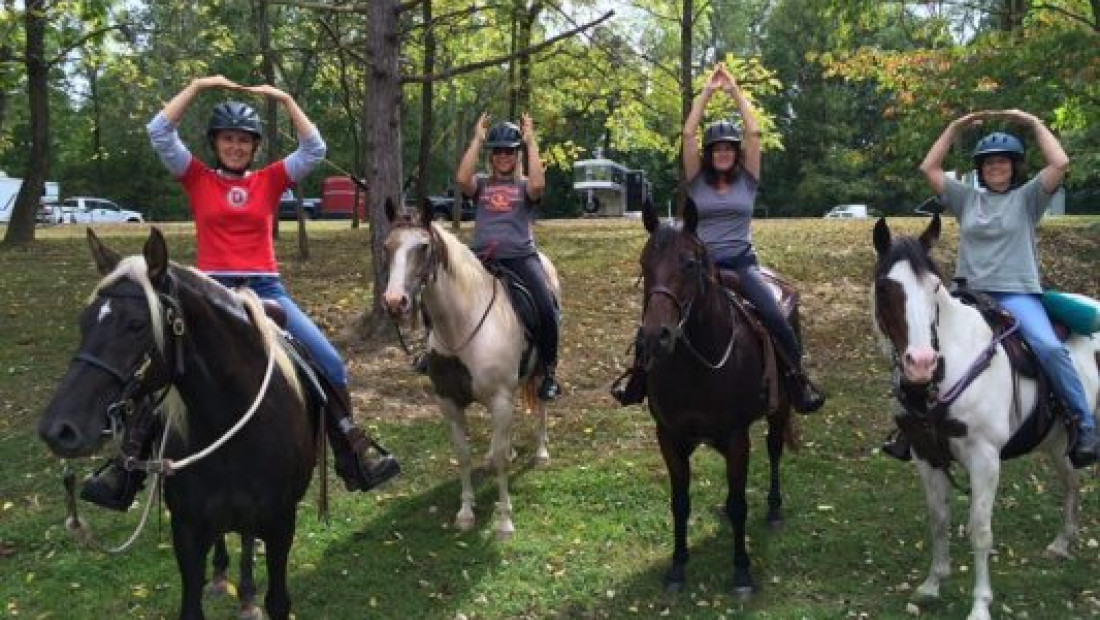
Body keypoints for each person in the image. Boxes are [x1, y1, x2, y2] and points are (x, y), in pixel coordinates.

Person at [80, 76, 400, 511]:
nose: (235, 146)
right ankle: (127, 467)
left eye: (244, 140)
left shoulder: (269, 180)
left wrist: (287, 99)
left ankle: (352, 451)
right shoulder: (196, 178)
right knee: (158, 369)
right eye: (227, 139)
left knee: (328, 362)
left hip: (266, 290)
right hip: (208, 292)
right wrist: (194, 86)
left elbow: (315, 150)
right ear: (215, 143)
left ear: (254, 145)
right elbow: (158, 131)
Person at [884, 109, 1099, 468]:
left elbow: (1060, 162)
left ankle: (1083, 424)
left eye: (1003, 163)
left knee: (1048, 347)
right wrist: (953, 128)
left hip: (1017, 293)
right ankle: (913, 428)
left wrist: (1033, 124)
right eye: (988, 164)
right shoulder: (967, 199)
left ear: (1014, 167)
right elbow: (929, 169)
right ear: (980, 169)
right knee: (922, 344)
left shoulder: (1030, 198)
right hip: (967, 292)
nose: (996, 168)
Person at [611, 63, 825, 413]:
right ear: (709, 154)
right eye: (716, 148)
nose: (722, 152)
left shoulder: (748, 180)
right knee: (656, 313)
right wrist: (707, 94)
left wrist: (736, 92)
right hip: (699, 264)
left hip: (742, 264)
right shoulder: (697, 180)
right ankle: (638, 378)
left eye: (728, 147)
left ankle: (797, 380)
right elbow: (689, 135)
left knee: (775, 316)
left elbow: (754, 134)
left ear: (736, 152)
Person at [454, 112, 561, 401]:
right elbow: (461, 178)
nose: (503, 156)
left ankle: (548, 372)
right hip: (481, 259)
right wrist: (477, 139)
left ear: (516, 155)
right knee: (439, 290)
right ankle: (434, 355)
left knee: (546, 308)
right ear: (491, 157)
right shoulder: (481, 184)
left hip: (519, 257)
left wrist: (530, 141)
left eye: (509, 152)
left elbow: (539, 186)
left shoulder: (525, 186)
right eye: (497, 152)